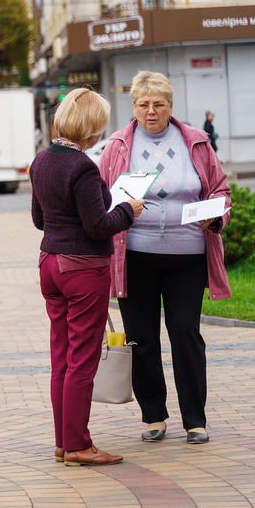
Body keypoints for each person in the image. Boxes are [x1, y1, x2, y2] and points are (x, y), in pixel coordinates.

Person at [99, 71, 231, 445]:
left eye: (159, 104)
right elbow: (100, 194)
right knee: (142, 339)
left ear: (171, 107)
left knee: (186, 333)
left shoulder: (197, 142)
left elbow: (221, 189)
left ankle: (195, 420)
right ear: (134, 108)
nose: (151, 111)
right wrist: (119, 207)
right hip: (135, 258)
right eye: (144, 104)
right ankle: (153, 416)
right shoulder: (118, 145)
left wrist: (215, 215)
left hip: (187, 257)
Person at [31, 89, 144, 467]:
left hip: (50, 264)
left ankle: (63, 442)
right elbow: (99, 226)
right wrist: (128, 210)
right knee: (83, 360)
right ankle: (79, 444)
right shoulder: (82, 167)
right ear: (91, 127)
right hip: (82, 268)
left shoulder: (41, 160)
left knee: (61, 358)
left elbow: (38, 219)